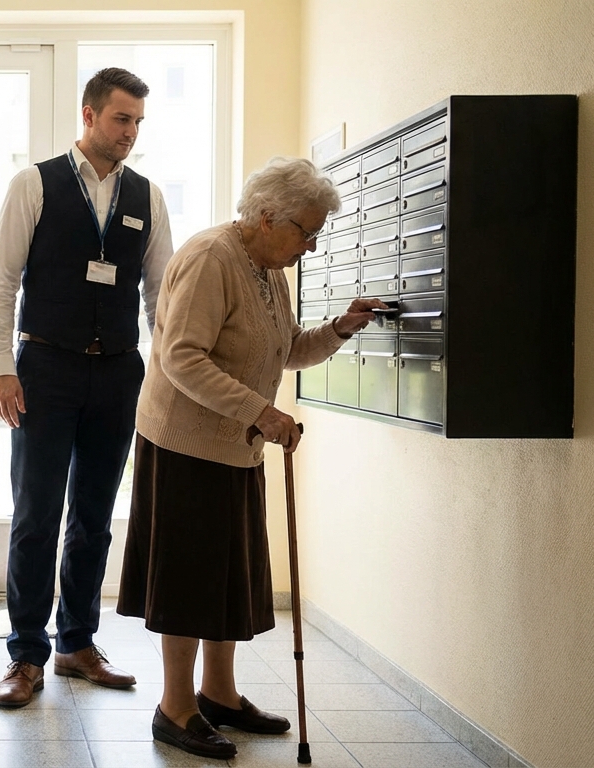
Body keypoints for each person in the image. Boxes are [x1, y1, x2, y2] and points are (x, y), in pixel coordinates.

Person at [115, 157, 386, 758]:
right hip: (184, 444)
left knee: (224, 573)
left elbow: (284, 350)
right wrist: (261, 413)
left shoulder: (270, 269)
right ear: (267, 217)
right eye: (306, 232)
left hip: (234, 445)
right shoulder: (212, 257)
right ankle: (174, 708)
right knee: (188, 578)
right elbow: (181, 358)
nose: (311, 247)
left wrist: (341, 328)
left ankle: (219, 695)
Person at [0, 67, 174, 708]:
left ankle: (77, 643)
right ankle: (26, 654)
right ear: (89, 115)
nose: (131, 133)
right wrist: (1, 367)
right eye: (122, 119)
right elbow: (0, 282)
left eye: (139, 122)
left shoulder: (147, 196)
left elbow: (160, 294)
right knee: (36, 515)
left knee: (93, 518)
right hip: (45, 370)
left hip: (118, 372)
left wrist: (165, 374)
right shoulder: (34, 183)